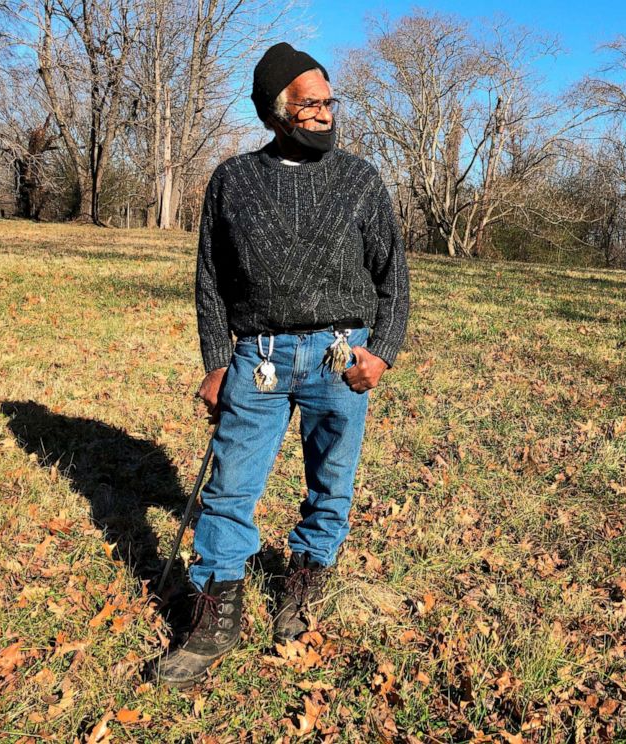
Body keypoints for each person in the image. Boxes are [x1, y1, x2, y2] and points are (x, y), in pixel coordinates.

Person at [152, 41, 410, 689]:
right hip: (257, 358)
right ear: (276, 112)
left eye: (330, 102)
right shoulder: (232, 181)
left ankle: (303, 582)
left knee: (332, 483)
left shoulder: (360, 180)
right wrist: (215, 364)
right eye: (310, 104)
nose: (324, 113)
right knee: (230, 487)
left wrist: (379, 353)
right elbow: (210, 281)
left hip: (338, 354)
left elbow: (393, 281)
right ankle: (216, 614)